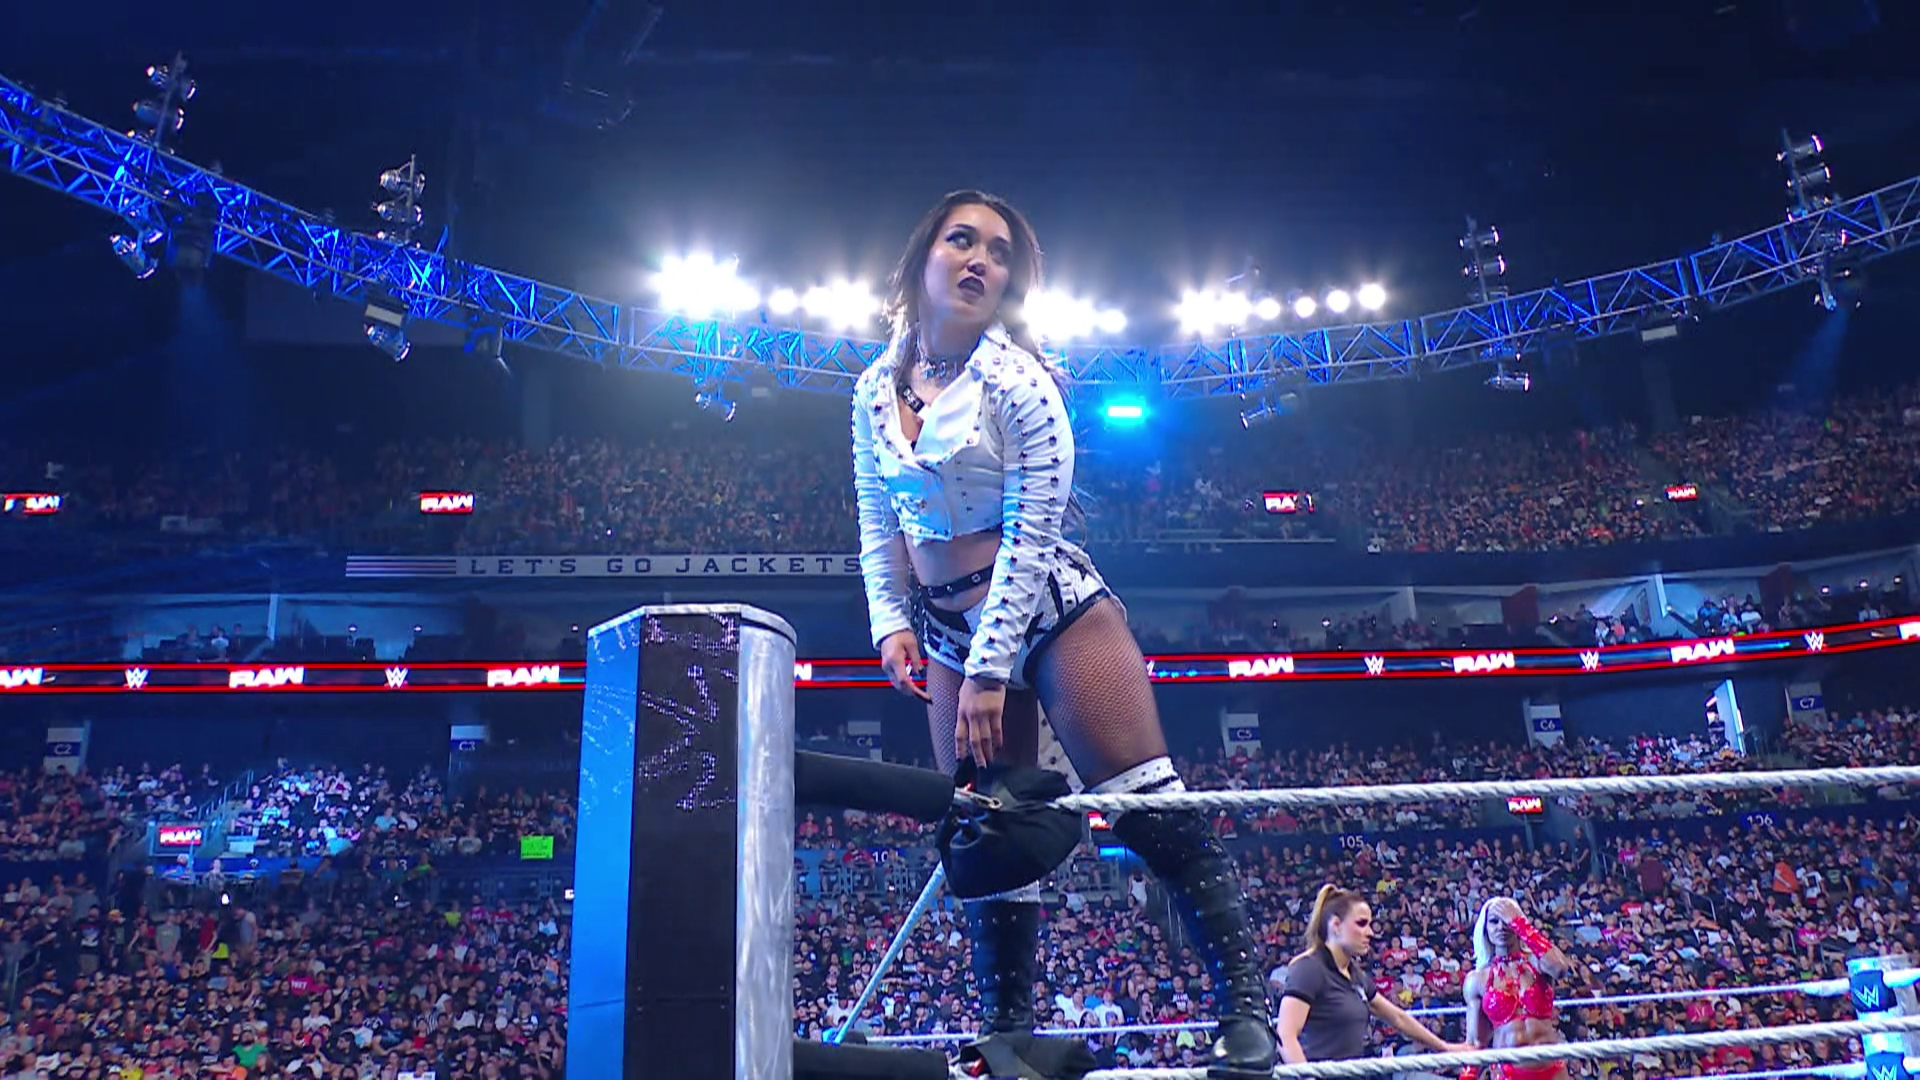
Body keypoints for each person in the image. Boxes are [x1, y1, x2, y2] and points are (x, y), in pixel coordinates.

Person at [851, 189, 1276, 1078]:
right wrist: (891, 621)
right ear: (922, 258)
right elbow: (876, 516)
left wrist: (988, 671)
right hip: (944, 628)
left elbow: (1033, 530)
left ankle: (1246, 1009)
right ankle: (1008, 1028)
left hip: (1050, 608)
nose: (980, 259)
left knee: (1146, 808)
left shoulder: (1020, 383)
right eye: (962, 240)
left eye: (999, 251)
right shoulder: (871, 389)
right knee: (988, 830)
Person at [1277, 885, 1467, 1063]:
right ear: (1336, 925)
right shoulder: (1308, 968)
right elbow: (1285, 1036)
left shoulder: (1355, 975)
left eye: (1370, 924)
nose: (1370, 932)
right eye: (1361, 924)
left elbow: (1398, 1018)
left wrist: (1445, 1047)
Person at [1462, 896, 1576, 1080]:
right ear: (1485, 929)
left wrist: (1521, 925)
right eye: (1494, 921)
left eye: (1506, 920)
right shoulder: (1477, 979)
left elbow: (1560, 968)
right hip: (1507, 1071)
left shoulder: (1538, 962)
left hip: (1552, 1068)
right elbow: (1476, 1041)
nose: (1501, 927)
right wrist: (1468, 1076)